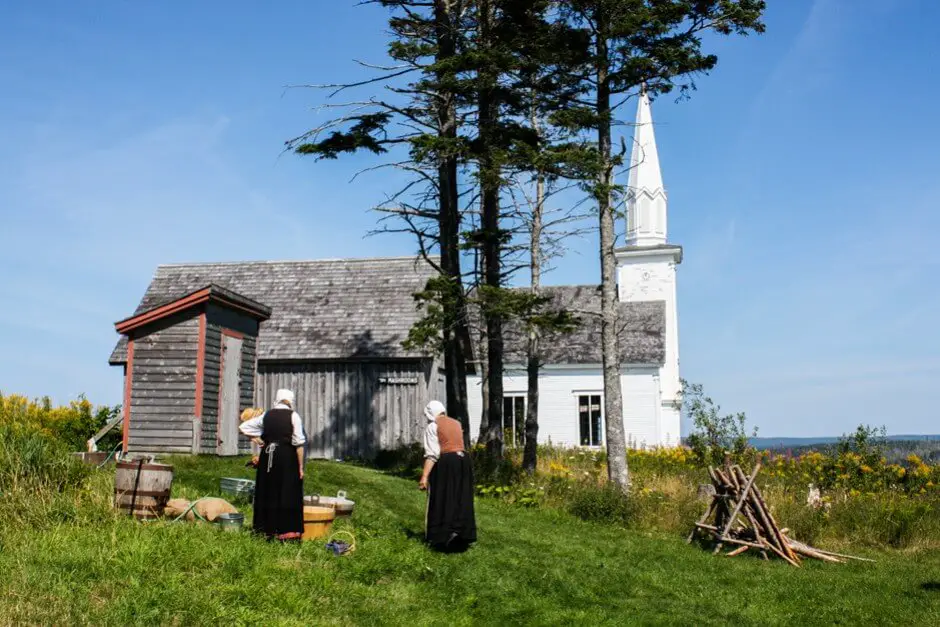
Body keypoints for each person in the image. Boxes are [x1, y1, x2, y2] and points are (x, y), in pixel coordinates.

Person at [239, 389, 306, 541]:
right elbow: (299, 443)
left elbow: (244, 427)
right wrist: (300, 466)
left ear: (277, 399)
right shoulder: (293, 416)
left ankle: (265, 530)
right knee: (287, 490)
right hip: (287, 457)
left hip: (268, 456)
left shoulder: (266, 415)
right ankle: (287, 532)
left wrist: (259, 441)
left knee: (268, 490)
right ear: (290, 400)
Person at [419, 400, 477, 552]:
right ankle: (462, 532)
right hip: (464, 460)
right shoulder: (456, 423)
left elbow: (432, 453)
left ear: (430, 413)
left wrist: (424, 476)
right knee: (461, 497)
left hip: (448, 462)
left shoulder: (433, 426)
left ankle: (442, 535)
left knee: (443, 496)